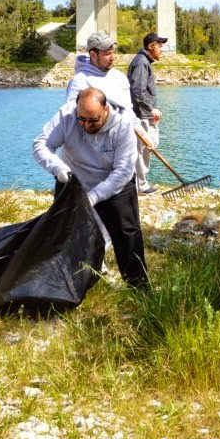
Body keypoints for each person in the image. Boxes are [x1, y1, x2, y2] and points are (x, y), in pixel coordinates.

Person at [33, 87, 149, 290]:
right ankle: (73, 283)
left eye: (93, 120)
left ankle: (138, 285)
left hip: (115, 181)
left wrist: (93, 197)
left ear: (105, 110)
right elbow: (41, 145)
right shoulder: (66, 115)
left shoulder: (123, 126)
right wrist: (58, 168)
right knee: (67, 230)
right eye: (82, 119)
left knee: (127, 232)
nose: (86, 125)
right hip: (73, 179)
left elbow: (122, 171)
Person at [127, 32, 168, 195]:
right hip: (141, 114)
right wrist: (151, 108)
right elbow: (137, 90)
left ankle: (140, 183)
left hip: (145, 114)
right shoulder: (142, 62)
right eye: (160, 46)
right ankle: (140, 186)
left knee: (147, 146)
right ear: (151, 47)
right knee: (142, 149)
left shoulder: (143, 61)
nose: (162, 49)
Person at [66, 31, 132, 110]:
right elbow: (71, 114)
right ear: (93, 55)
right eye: (107, 54)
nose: (112, 57)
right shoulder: (79, 81)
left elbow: (129, 111)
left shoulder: (120, 77)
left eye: (113, 52)